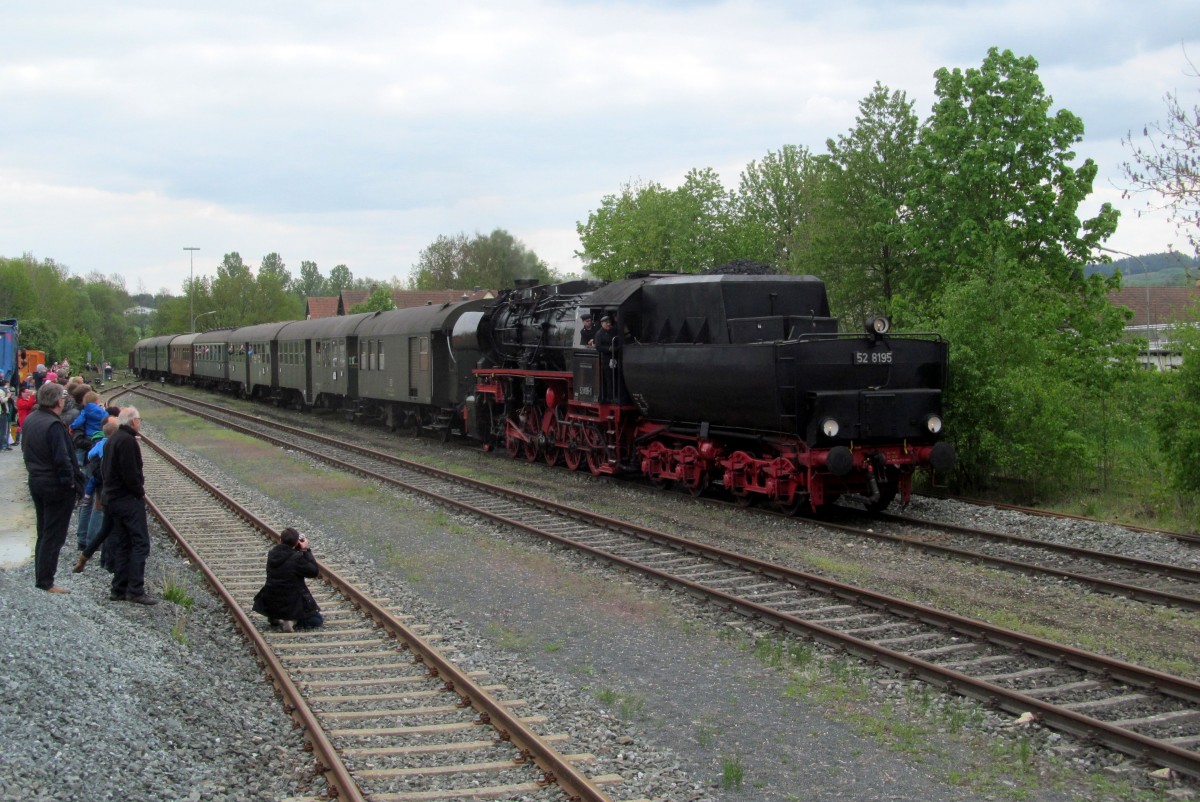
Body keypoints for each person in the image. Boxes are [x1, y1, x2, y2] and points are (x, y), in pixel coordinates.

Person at [22, 382, 85, 593]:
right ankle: (46, 581)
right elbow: (62, 459)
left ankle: (41, 576)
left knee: (43, 531)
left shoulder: (31, 419)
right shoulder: (54, 425)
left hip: (36, 480)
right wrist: (70, 484)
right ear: (58, 401)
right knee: (54, 534)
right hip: (55, 485)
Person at [101, 405, 158, 605]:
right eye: (139, 420)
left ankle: (119, 588)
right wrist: (139, 492)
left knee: (124, 544)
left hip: (114, 499)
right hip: (127, 500)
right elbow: (130, 474)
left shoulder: (113, 439)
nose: (140, 423)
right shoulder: (127, 442)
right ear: (133, 421)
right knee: (140, 543)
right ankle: (135, 589)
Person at [252, 528, 323, 632]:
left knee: (279, 604)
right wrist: (305, 550)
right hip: (291, 604)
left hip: (271, 603)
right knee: (317, 620)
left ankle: (277, 618)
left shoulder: (272, 554)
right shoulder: (297, 558)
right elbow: (313, 572)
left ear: (280, 540)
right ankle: (292, 621)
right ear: (296, 542)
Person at [0, 378, 12, 451]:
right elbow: (2, 401)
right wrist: (8, 396)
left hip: (2, 411)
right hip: (2, 412)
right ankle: (3, 445)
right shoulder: (2, 391)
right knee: (3, 430)